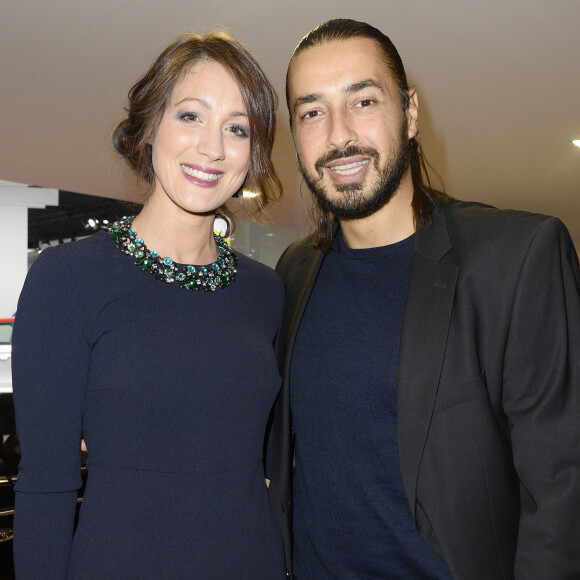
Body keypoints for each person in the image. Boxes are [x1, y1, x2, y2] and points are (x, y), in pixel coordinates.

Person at [268, 18, 580, 580]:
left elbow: (563, 491)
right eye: (311, 112)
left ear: (409, 113)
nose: (338, 134)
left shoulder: (516, 257)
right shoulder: (293, 272)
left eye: (363, 101)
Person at [12, 31, 287, 579]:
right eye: (191, 116)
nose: (213, 147)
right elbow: (46, 485)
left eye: (237, 128)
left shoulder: (266, 291)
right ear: (150, 127)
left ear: (252, 152)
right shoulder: (67, 280)